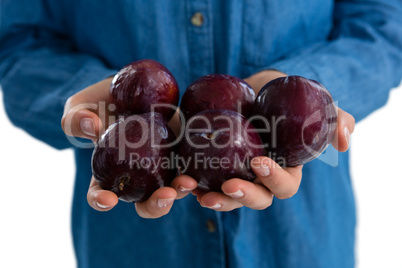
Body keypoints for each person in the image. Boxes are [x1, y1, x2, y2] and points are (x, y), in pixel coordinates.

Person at [0, 0, 401, 267]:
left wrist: (307, 95)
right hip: (135, 247)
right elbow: (16, 43)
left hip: (302, 239)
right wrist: (103, 103)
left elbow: (385, 26)